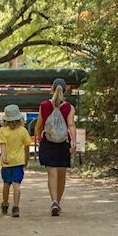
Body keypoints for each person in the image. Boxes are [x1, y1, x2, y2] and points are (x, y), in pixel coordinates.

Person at [35, 78, 76, 216]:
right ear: (65, 91)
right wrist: (74, 142)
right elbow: (71, 125)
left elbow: (39, 125)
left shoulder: (44, 105)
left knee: (51, 173)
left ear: (52, 89)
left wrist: (38, 138)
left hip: (48, 142)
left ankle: (54, 201)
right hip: (63, 143)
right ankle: (58, 202)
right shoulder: (69, 107)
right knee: (61, 174)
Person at [0, 104, 32, 218]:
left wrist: (3, 156)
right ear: (19, 118)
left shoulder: (2, 130)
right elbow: (27, 146)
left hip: (6, 162)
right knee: (17, 184)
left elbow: (2, 144)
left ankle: (5, 203)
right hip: (18, 162)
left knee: (6, 184)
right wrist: (26, 159)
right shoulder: (23, 131)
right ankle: (15, 207)